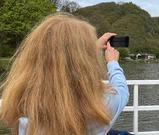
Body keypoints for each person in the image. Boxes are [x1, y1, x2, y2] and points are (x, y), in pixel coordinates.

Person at [0, 12, 129, 135]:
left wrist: (91, 47)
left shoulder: (17, 104)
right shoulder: (103, 104)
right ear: (88, 59)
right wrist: (112, 62)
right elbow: (122, 90)